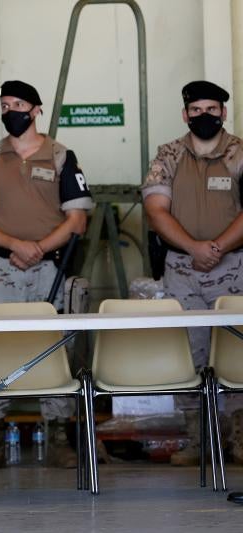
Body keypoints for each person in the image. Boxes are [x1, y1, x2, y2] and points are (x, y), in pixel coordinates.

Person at [0, 80, 93, 470]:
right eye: (4, 104)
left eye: (18, 104)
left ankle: (57, 433)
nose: (10, 111)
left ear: (36, 110)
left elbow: (78, 219)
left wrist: (38, 247)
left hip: (49, 267)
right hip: (1, 268)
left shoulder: (60, 156)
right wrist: (16, 245)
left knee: (53, 345)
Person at [142, 80, 243, 469]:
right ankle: (199, 437)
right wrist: (194, 248)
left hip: (233, 266)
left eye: (211, 109)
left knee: (237, 350)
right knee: (189, 350)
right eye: (196, 110)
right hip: (181, 269)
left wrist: (215, 247)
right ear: (185, 115)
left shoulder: (238, 153)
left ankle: (237, 435)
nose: (204, 116)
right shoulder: (167, 155)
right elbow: (156, 209)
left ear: (223, 112)